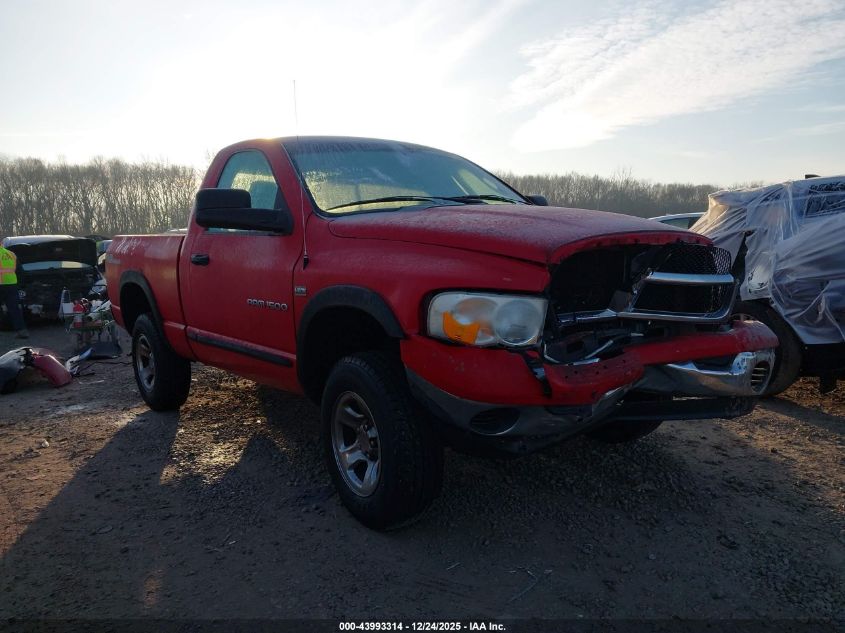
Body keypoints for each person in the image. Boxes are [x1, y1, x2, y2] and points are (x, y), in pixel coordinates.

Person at [0, 242, 29, 338]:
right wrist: (19, 285)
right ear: (1, 243)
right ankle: (22, 331)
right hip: (12, 285)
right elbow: (20, 271)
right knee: (14, 309)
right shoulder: (11, 254)